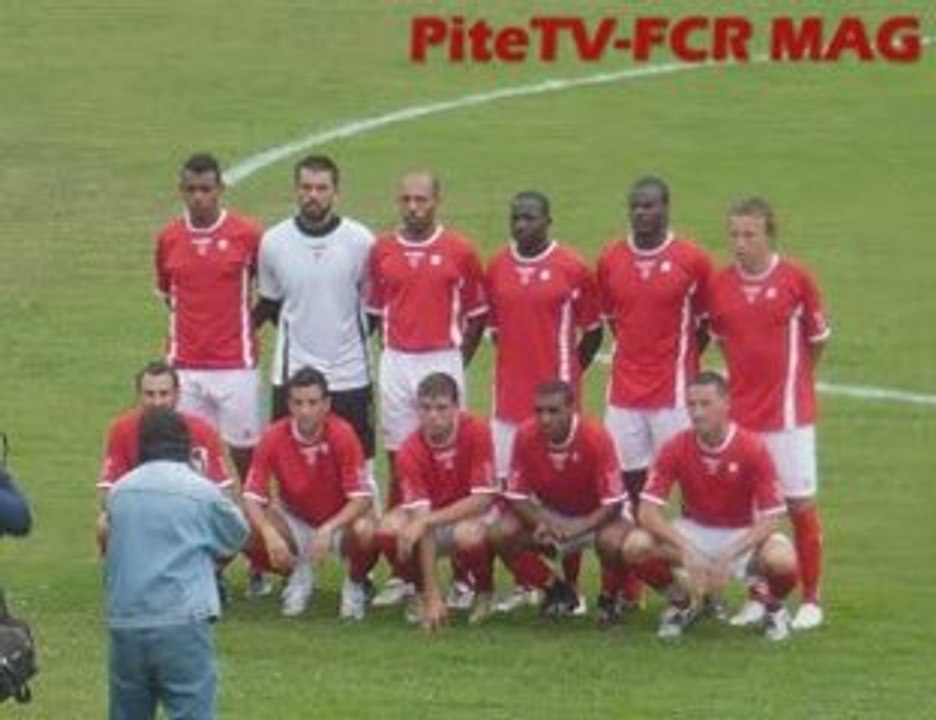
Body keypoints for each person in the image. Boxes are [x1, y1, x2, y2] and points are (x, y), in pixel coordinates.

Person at [366, 171, 488, 607]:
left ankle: (463, 577)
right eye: (406, 200)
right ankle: (404, 574)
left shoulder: (460, 250)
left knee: (451, 464)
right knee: (402, 463)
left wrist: (455, 364)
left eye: (421, 199)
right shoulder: (381, 250)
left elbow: (477, 314)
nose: (413, 207)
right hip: (397, 359)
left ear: (437, 200)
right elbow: (375, 312)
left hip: (443, 357)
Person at [709, 197, 830, 631]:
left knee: (798, 503)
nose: (740, 243)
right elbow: (723, 341)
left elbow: (817, 340)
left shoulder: (796, 279)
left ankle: (812, 598)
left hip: (789, 418)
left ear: (768, 235)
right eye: (734, 234)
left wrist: (796, 384)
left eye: (749, 235)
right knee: (749, 512)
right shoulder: (720, 286)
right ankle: (760, 597)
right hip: (742, 419)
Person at [596, 176, 713, 611]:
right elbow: (614, 319)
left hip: (674, 397)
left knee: (690, 492)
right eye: (635, 207)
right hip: (624, 397)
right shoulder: (611, 258)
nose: (641, 213)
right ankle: (631, 587)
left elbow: (702, 324)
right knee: (625, 494)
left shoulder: (692, 259)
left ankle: (704, 583)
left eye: (649, 206)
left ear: (666, 207)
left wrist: (678, 364)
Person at [484, 191, 603, 614]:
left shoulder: (573, 268)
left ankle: (573, 588)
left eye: (530, 218)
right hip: (508, 406)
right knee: (507, 498)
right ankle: (534, 582)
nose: (521, 225)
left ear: (548, 220)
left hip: (558, 409)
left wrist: (567, 382)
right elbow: (496, 332)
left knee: (566, 496)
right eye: (515, 218)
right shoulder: (496, 266)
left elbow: (592, 334)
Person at [621, 371, 798, 642]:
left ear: (726, 404)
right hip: (696, 531)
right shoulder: (676, 446)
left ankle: (774, 608)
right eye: (692, 405)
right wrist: (687, 549)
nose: (697, 413)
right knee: (635, 546)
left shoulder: (752, 448)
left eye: (705, 404)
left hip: (743, 532)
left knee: (782, 562)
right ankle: (682, 603)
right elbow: (647, 511)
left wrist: (731, 553)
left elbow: (773, 516)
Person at [104, 407, 249, 720]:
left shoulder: (120, 492)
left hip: (126, 618)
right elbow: (237, 534)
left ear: (142, 444)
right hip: (182, 619)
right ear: (185, 444)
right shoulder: (201, 491)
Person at [255, 153, 377, 487]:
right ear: (296, 191)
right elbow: (270, 303)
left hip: (350, 372)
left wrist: (345, 338)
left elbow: (373, 307)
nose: (313, 195)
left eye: (321, 188)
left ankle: (367, 537)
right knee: (287, 463)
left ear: (336, 193)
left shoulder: (361, 241)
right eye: (306, 187)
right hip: (292, 370)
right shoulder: (273, 242)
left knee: (361, 467)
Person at [155, 152, 264, 481]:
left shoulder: (246, 234)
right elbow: (168, 295)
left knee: (246, 455)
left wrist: (240, 328)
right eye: (191, 190)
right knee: (190, 457)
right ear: (181, 190)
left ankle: (254, 528)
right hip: (184, 367)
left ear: (220, 189)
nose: (198, 197)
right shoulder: (169, 238)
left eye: (205, 189)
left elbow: (269, 290)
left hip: (236, 366)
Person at [242, 367, 377, 620]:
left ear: (326, 404)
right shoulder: (273, 435)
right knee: (244, 527)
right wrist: (270, 533)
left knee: (367, 531)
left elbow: (361, 498)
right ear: (289, 405)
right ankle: (297, 573)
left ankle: (355, 583)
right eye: (298, 403)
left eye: (313, 402)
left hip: (338, 521)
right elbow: (251, 496)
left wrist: (328, 528)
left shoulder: (343, 434)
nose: (305, 410)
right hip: (296, 517)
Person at [491, 381, 632, 621]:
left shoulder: (595, 437)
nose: (544, 418)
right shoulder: (525, 435)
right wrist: (539, 524)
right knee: (500, 533)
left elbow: (613, 502)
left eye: (553, 411)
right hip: (552, 512)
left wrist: (580, 526)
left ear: (571, 409)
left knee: (613, 542)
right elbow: (516, 495)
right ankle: (557, 591)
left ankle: (610, 598)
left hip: (598, 514)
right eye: (539, 411)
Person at [374, 373, 498, 629]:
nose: (433, 415)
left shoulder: (477, 431)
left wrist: (427, 520)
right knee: (389, 529)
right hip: (434, 518)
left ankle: (484, 591)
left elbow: (482, 499)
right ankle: (421, 593)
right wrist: (432, 594)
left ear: (456, 407)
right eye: (426, 408)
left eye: (441, 408)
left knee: (469, 535)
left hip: (470, 513)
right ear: (417, 409)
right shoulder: (409, 450)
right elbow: (422, 520)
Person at [97, 361, 233, 553]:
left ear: (177, 395)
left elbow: (223, 492)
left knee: (234, 522)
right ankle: (127, 577)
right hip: (141, 516)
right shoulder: (122, 430)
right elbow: (107, 493)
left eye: (164, 393)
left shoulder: (202, 431)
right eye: (149, 394)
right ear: (139, 395)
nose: (157, 402)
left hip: (190, 517)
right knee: (104, 525)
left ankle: (210, 574)